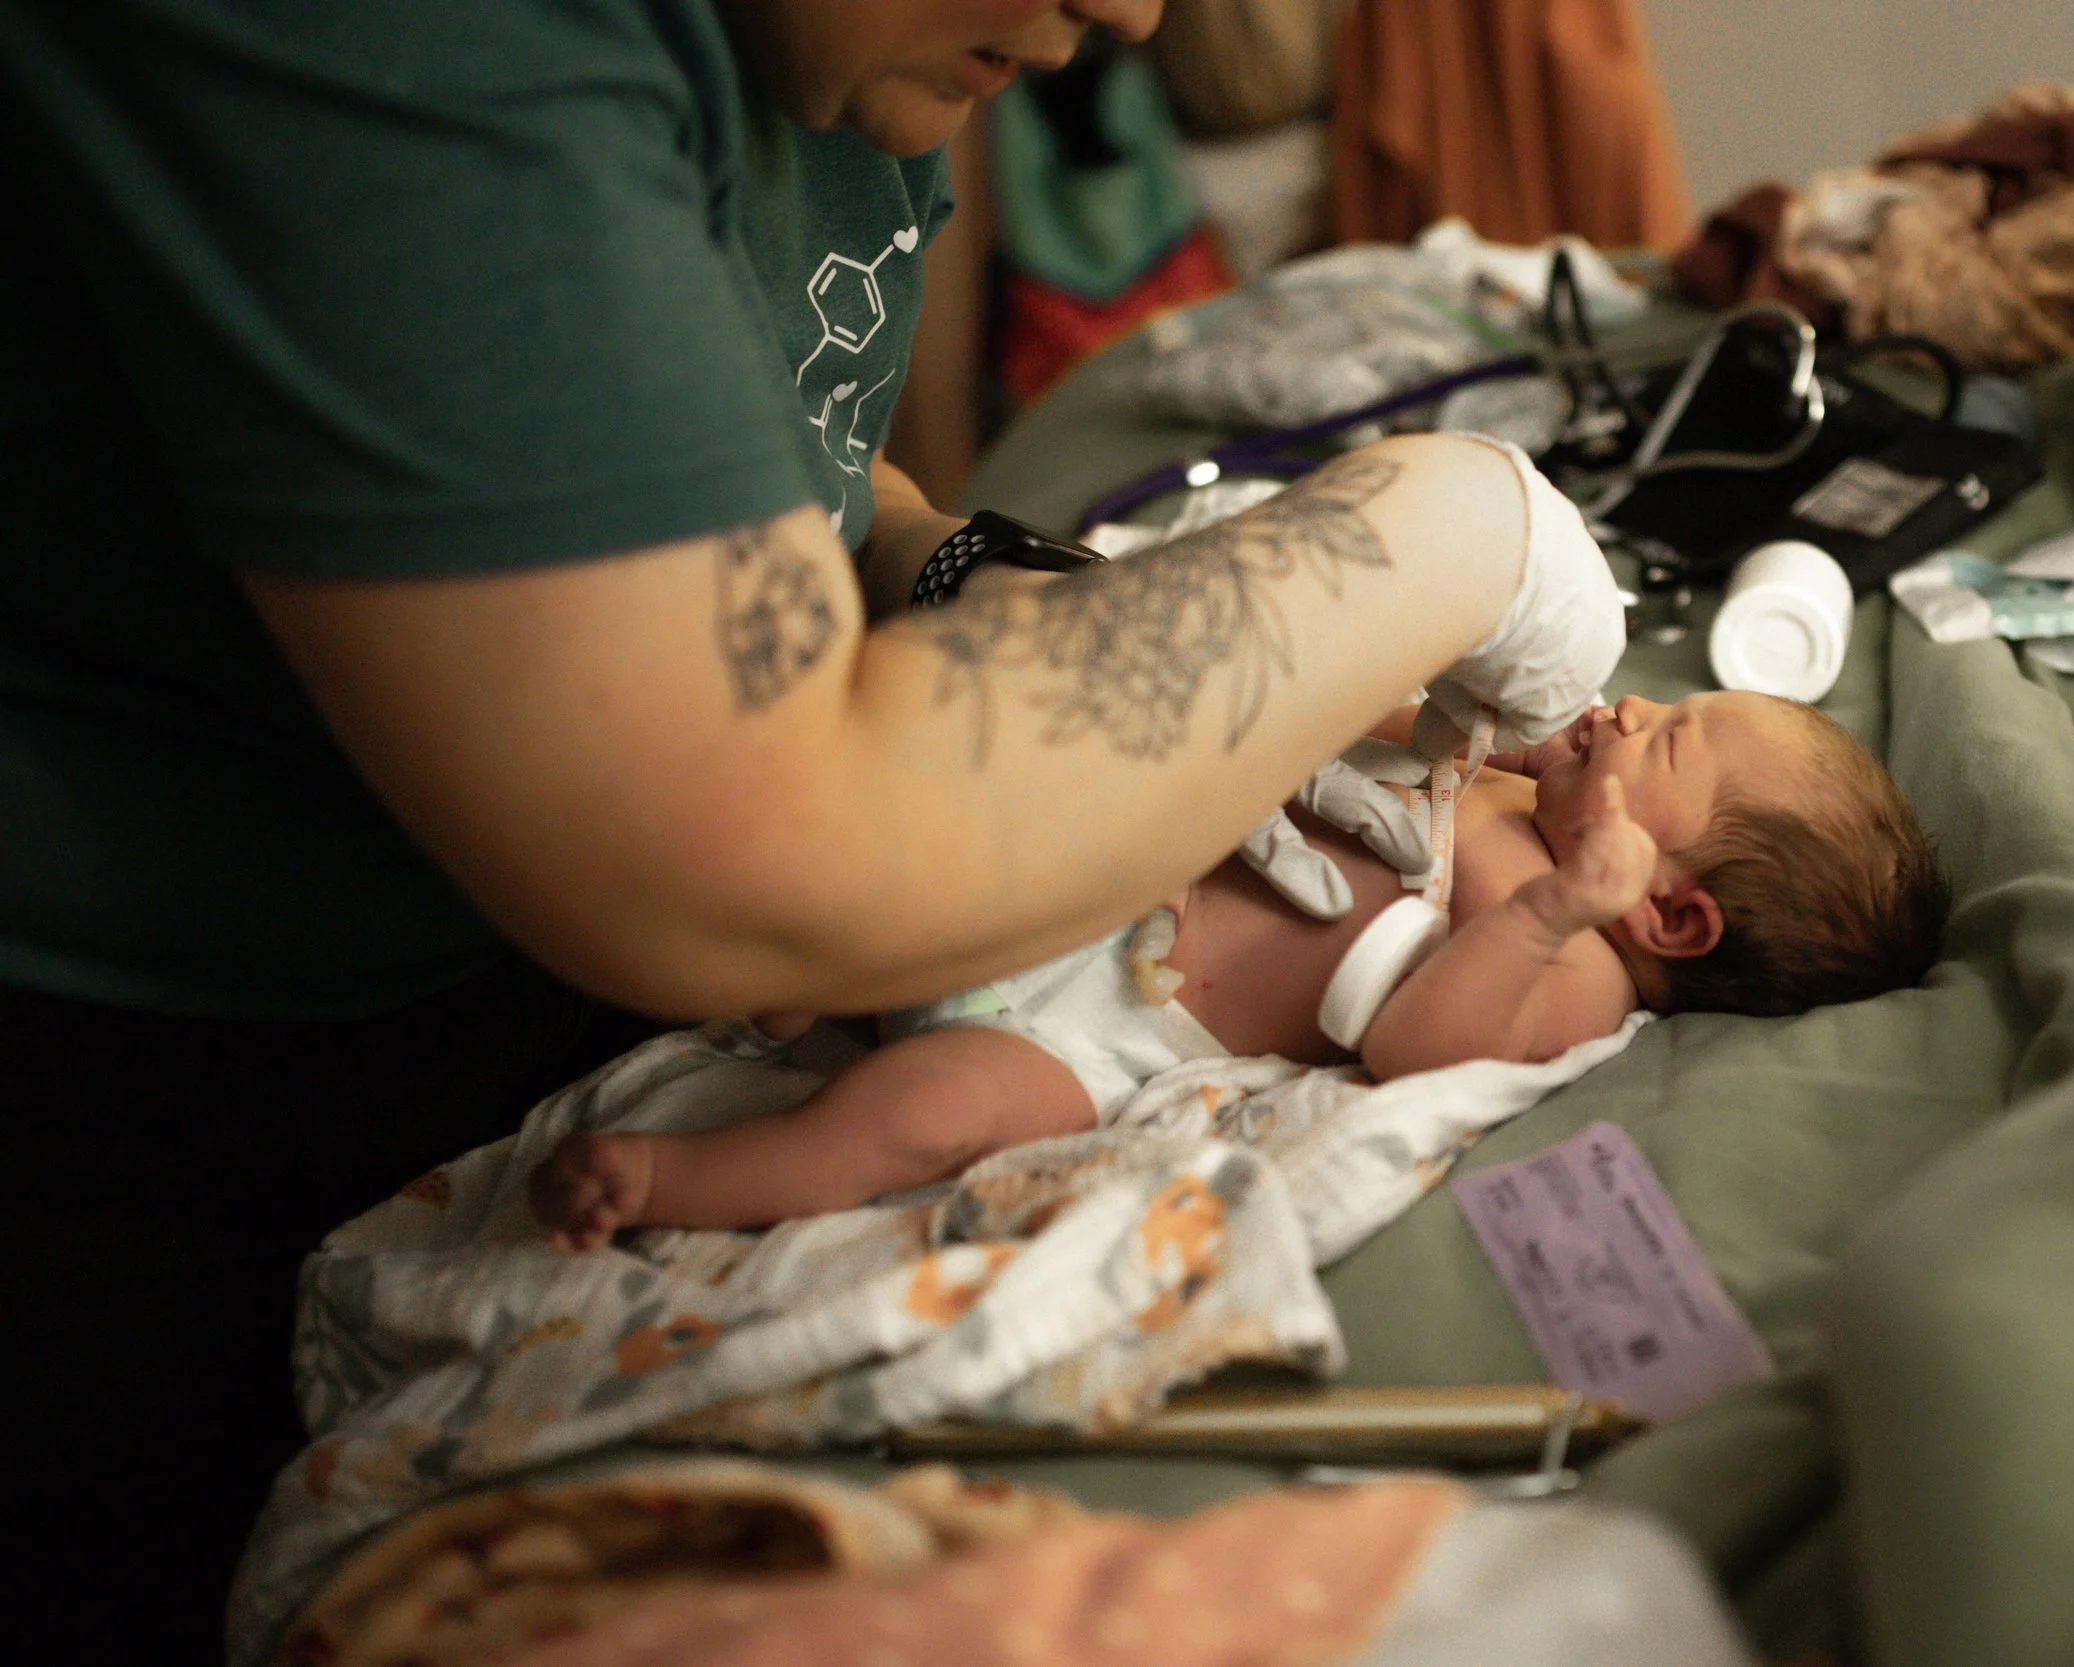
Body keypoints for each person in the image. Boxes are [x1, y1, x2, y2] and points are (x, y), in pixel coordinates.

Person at [1, 2, 1626, 1658]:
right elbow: (748, 847)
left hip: (580, 999)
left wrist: (962, 571)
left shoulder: (842, 53)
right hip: (146, 1091)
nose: (1135, 15)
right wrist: (1449, 525)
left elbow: (794, 477)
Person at [531, 691, 1949, 1244]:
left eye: (1673, 737)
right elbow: (1380, 731)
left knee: (916, 1111)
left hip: (1115, 1027)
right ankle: (808, 957)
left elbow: (1418, 1054)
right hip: (1080, 885)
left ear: (1673, 915)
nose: (1635, 702)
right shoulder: (1528, 791)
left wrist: (1546, 911)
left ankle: (679, 1179)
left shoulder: (1571, 973)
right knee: (891, 861)